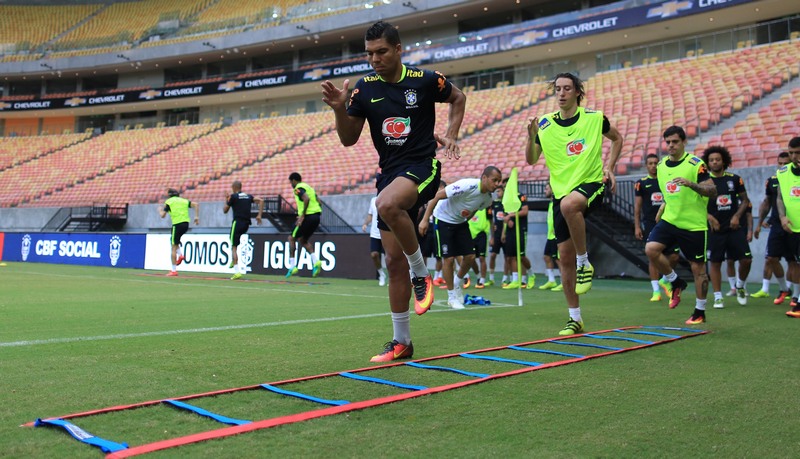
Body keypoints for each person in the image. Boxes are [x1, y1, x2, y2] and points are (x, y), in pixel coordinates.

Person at [321, 20, 466, 362]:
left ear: (399, 49)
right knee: (392, 261)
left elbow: (458, 98)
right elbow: (347, 139)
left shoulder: (426, 80)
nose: (374, 59)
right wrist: (340, 108)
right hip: (390, 173)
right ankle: (402, 342)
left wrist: (452, 133)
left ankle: (422, 273)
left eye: (381, 52)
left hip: (423, 166)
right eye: (369, 53)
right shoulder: (363, 88)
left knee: (386, 205)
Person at [525, 72, 623, 335]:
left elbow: (617, 139)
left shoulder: (594, 118)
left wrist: (610, 167)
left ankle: (585, 261)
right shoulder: (544, 124)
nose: (561, 93)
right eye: (557, 89)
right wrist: (530, 135)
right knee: (563, 258)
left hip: (591, 184)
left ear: (578, 92)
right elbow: (532, 159)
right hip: (561, 193)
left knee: (570, 206)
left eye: (567, 88)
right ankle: (575, 318)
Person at [645, 126, 716, 325]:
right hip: (670, 220)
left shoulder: (695, 164)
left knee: (698, 269)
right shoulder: (661, 166)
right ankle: (676, 282)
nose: (671, 145)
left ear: (684, 142)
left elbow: (712, 191)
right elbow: (670, 193)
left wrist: (691, 184)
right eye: (667, 142)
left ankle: (700, 311)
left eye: (675, 142)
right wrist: (663, 206)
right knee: (651, 249)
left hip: (693, 225)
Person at [419, 166, 503, 309]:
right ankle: (452, 297)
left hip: (460, 223)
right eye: (494, 180)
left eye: (499, 181)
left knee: (470, 256)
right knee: (449, 259)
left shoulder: (488, 200)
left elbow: (475, 208)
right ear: (484, 178)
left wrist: (466, 217)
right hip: (443, 220)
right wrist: (425, 219)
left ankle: (457, 284)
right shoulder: (467, 185)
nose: (497, 184)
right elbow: (437, 196)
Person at [703, 145, 752, 308]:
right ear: (707, 163)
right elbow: (695, 205)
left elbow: (745, 200)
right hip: (715, 230)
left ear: (724, 161)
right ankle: (718, 296)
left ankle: (740, 285)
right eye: (711, 160)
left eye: (717, 159)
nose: (714, 162)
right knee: (715, 263)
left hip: (734, 228)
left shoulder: (734, 179)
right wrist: (709, 217)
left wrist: (737, 216)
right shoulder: (704, 183)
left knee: (746, 260)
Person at [634, 153, 680, 302]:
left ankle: (666, 280)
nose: (653, 166)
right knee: (652, 258)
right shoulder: (641, 183)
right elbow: (637, 207)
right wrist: (637, 226)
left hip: (669, 222)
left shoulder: (666, 180)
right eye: (650, 163)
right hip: (651, 225)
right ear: (646, 165)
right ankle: (656, 291)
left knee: (674, 256)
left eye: (655, 163)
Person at [752, 151, 792, 303]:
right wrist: (759, 223)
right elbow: (767, 202)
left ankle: (794, 294)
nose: (782, 166)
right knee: (771, 258)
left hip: (795, 224)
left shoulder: (796, 178)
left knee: (793, 261)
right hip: (776, 224)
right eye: (780, 163)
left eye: (785, 164)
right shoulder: (772, 181)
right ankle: (783, 289)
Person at [776, 136, 800, 318]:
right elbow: (780, 197)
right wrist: (783, 216)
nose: (794, 156)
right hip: (793, 228)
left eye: (797, 153)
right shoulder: (782, 172)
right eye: (791, 152)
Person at [223, 180, 263, 280]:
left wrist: (226, 199)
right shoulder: (248, 196)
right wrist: (259, 215)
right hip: (246, 224)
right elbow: (261, 201)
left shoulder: (233, 197)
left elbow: (225, 210)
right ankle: (234, 260)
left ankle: (237, 271)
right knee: (235, 243)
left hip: (237, 223)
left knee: (234, 246)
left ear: (234, 187)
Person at [285, 172, 323, 278]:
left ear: (293, 180)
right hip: (316, 217)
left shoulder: (298, 188)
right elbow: (319, 202)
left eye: (290, 182)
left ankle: (292, 266)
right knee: (303, 240)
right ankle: (316, 262)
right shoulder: (309, 187)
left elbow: (306, 199)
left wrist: (302, 215)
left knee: (291, 238)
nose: (291, 184)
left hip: (308, 217)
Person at [158, 188, 199, 277]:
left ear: (169, 195)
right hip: (185, 224)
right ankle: (180, 255)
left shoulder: (169, 202)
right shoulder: (183, 200)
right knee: (174, 241)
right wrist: (196, 217)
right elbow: (196, 204)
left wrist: (160, 210)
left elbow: (163, 215)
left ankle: (173, 270)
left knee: (173, 247)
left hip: (177, 224)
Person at [501, 185, 535, 290]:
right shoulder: (507, 200)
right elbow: (505, 217)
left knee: (521, 256)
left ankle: (531, 274)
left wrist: (511, 216)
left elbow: (525, 211)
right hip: (510, 231)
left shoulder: (521, 196)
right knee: (510, 256)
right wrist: (503, 232)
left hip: (520, 229)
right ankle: (515, 280)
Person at [539, 183, 562, 291]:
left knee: (558, 259)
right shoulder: (550, 203)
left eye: (547, 189)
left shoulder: (558, 202)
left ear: (553, 190)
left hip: (556, 235)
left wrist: (557, 228)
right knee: (547, 257)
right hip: (550, 236)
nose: (545, 191)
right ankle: (552, 281)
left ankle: (564, 282)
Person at [362, 195, 387, 286]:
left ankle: (392, 278)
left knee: (389, 257)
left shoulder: (388, 197)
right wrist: (365, 223)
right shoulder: (373, 200)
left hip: (386, 232)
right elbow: (370, 215)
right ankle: (381, 274)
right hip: (375, 233)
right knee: (374, 254)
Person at [487, 182, 508, 286]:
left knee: (507, 257)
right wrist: (492, 236)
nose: (497, 193)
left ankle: (505, 279)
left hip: (505, 233)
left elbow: (506, 219)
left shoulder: (506, 203)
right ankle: (491, 278)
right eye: (496, 191)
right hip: (496, 233)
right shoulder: (493, 204)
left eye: (499, 191)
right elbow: (491, 220)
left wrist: (503, 233)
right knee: (493, 255)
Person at [467, 206, 491, 289]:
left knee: (481, 258)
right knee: (471, 258)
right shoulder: (468, 205)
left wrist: (493, 236)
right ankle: (478, 276)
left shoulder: (486, 207)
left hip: (482, 234)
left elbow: (491, 220)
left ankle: (482, 280)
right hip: (470, 234)